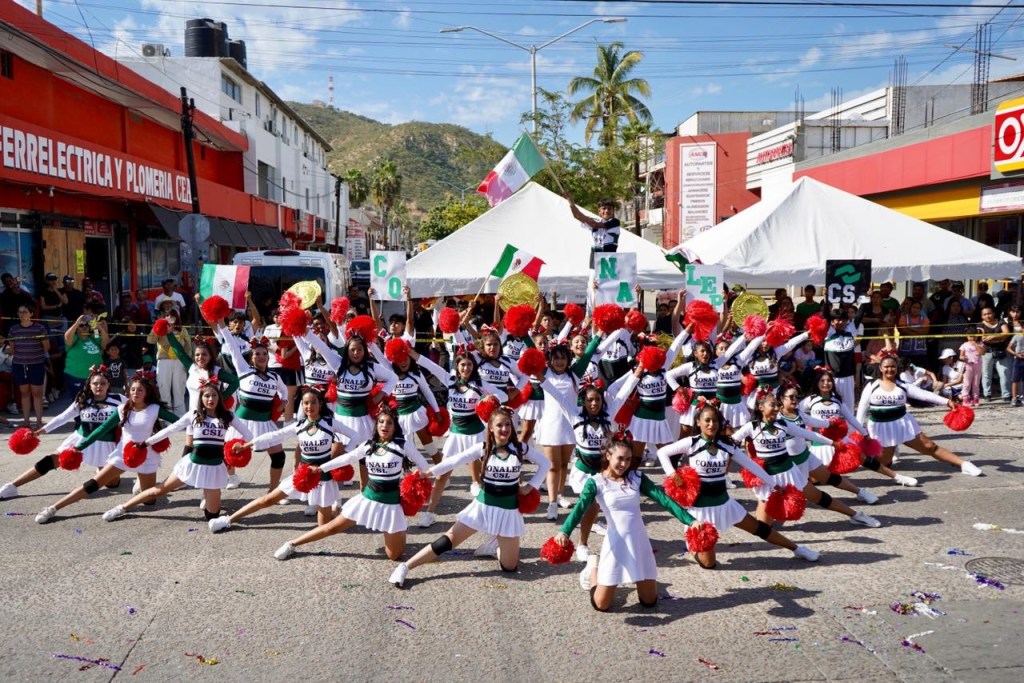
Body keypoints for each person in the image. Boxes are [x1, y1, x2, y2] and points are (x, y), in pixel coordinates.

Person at [387, 408, 551, 588]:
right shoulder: (483, 448)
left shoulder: (520, 448)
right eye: (499, 425)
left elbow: (546, 463)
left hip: (509, 510)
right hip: (482, 506)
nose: (504, 429)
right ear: (490, 428)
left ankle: (492, 547)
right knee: (447, 541)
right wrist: (428, 473)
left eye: (507, 425)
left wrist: (531, 486)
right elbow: (454, 461)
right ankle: (405, 567)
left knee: (510, 567)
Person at [657, 402, 822, 569]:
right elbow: (662, 452)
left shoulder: (727, 446)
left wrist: (773, 484)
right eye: (707, 420)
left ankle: (798, 549)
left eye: (715, 421)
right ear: (698, 422)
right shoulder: (690, 443)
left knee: (760, 528)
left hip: (725, 503)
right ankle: (693, 547)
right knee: (709, 564)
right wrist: (673, 475)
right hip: (701, 509)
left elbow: (752, 466)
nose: (711, 425)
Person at [554, 433, 696, 610]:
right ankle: (593, 567)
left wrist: (691, 521)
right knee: (601, 605)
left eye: (628, 459)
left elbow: (663, 499)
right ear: (608, 456)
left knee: (649, 601)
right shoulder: (596, 482)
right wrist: (564, 531)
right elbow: (580, 507)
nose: (624, 464)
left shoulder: (636, 478)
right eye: (620, 458)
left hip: (639, 542)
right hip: (616, 544)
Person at [271, 407, 431, 561]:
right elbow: (347, 458)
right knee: (331, 528)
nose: (385, 426)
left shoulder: (402, 445)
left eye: (389, 423)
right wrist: (320, 468)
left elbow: (424, 465)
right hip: (367, 499)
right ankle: (292, 544)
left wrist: (419, 474)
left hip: (391, 504)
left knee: (394, 556)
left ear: (395, 427)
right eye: (381, 422)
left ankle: (400, 530)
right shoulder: (369, 445)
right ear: (376, 425)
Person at [34, 372, 179, 523]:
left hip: (147, 456)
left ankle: (128, 501)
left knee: (149, 501)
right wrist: (78, 447)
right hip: (123, 454)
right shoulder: (122, 409)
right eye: (133, 389)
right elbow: (100, 430)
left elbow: (180, 423)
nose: (135, 393)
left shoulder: (154, 409)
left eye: (140, 390)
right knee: (93, 484)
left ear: (147, 393)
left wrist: (161, 436)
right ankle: (53, 508)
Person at [211, 386, 360, 533]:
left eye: (313, 402)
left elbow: (355, 436)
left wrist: (343, 458)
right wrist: (247, 445)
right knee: (267, 500)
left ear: (320, 404)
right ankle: (227, 520)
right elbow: (273, 435)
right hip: (303, 474)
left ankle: (335, 511)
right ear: (301, 405)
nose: (309, 406)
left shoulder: (330, 423)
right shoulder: (299, 425)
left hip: (324, 477)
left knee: (323, 527)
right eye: (305, 403)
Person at [101, 383, 253, 522]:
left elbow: (249, 436)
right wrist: (146, 443)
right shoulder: (194, 414)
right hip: (192, 464)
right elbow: (170, 429)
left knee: (212, 516)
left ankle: (209, 495)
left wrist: (241, 445)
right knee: (157, 491)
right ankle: (123, 507)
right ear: (201, 398)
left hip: (214, 467)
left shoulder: (228, 416)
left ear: (219, 398)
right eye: (206, 396)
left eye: (214, 395)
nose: (210, 399)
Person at [733, 392, 879, 528]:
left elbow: (810, 435)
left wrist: (833, 443)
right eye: (773, 405)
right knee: (764, 527)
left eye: (778, 404)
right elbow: (731, 442)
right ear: (761, 407)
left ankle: (856, 515)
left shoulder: (783, 425)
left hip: (789, 472)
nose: (777, 408)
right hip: (768, 477)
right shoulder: (750, 427)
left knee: (818, 496)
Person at [0, 366, 126, 501]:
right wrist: (40, 431)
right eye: (95, 383)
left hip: (106, 444)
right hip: (80, 439)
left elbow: (136, 412)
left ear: (108, 385)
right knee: (50, 461)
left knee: (112, 484)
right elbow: (62, 417)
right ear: (89, 384)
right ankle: (12, 486)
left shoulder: (119, 399)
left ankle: (102, 470)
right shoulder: (83, 399)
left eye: (103, 383)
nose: (99, 386)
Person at [856, 352, 981, 476]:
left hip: (902, 424)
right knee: (884, 463)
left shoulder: (903, 386)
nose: (890, 369)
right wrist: (858, 430)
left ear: (897, 368)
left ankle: (964, 464)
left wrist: (947, 401)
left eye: (893, 366)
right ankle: (880, 453)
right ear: (880, 368)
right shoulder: (872, 386)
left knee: (930, 446)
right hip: (881, 428)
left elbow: (925, 395)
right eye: (886, 366)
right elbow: (862, 407)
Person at [6, 304, 49, 428]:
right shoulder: (13, 329)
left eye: (25, 312)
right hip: (19, 364)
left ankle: (39, 421)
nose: (22, 314)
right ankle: (26, 421)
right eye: (20, 312)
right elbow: (12, 349)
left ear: (31, 314)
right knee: (24, 393)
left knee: (37, 393)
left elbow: (46, 347)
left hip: (36, 364)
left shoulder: (39, 328)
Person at [147, 310, 191, 415]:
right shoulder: (160, 329)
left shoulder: (183, 330)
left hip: (179, 362)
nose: (169, 317)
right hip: (164, 361)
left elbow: (188, 347)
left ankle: (180, 417)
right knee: (164, 389)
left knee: (179, 390)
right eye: (167, 315)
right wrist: (156, 327)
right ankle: (167, 418)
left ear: (177, 317)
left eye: (172, 316)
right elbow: (150, 340)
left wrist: (188, 363)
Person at [63, 311, 108, 398]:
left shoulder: (94, 337)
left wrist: (98, 326)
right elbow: (67, 336)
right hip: (76, 376)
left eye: (86, 325)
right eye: (81, 325)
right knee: (79, 402)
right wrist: (77, 322)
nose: (84, 327)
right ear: (77, 328)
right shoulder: (75, 339)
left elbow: (105, 341)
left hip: (94, 378)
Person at [566, 194, 620, 260]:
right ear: (599, 211)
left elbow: (595, 225)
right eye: (604, 208)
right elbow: (577, 216)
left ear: (613, 211)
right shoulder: (595, 221)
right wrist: (571, 203)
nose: (606, 211)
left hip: (610, 259)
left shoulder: (615, 222)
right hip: (597, 258)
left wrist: (585, 218)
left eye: (609, 209)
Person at [977, 306, 1012, 401]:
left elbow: (1006, 333)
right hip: (987, 352)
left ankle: (1006, 394)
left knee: (1004, 373)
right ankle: (987, 394)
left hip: (1001, 351)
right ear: (982, 316)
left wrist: (992, 337)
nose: (987, 316)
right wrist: (999, 338)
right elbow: (984, 339)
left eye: (989, 313)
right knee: (986, 374)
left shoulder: (1001, 322)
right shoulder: (980, 325)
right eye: (985, 314)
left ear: (993, 313)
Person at [959, 334, 984, 406]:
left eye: (974, 336)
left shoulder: (980, 344)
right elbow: (961, 356)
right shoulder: (964, 345)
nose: (972, 338)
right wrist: (963, 358)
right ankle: (965, 398)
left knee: (976, 382)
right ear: (967, 336)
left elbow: (982, 353)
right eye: (970, 336)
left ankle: (975, 398)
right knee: (967, 382)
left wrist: (976, 345)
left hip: (977, 365)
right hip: (968, 365)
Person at [1008, 321, 1024, 407]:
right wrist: (1016, 354)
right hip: (1018, 359)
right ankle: (1014, 398)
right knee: (1015, 380)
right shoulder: (1017, 336)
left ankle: (1022, 398)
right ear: (1022, 328)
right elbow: (1008, 348)